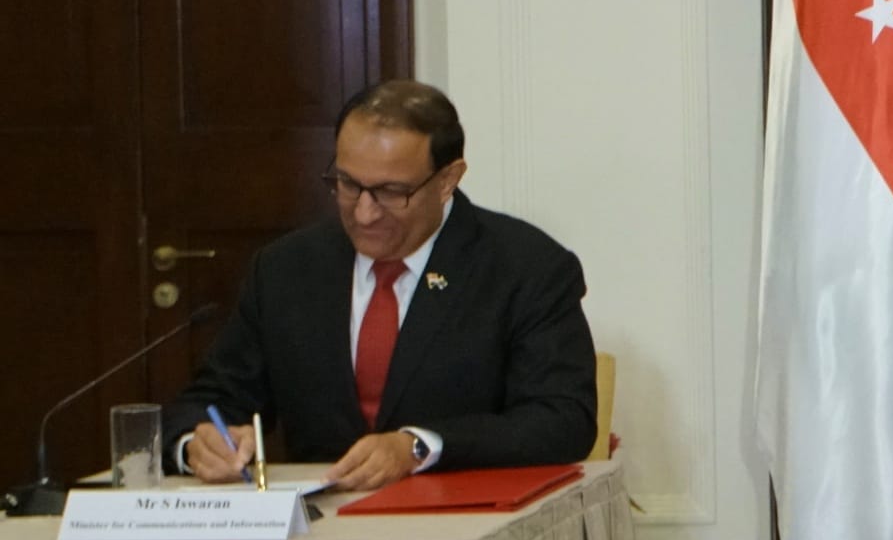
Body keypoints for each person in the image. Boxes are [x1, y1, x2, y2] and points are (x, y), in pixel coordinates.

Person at [165, 80, 599, 489]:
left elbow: (561, 420)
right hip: (315, 537)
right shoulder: (286, 269)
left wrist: (418, 447)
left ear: (448, 179)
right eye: (349, 184)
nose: (364, 213)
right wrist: (198, 444)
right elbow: (211, 399)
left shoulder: (525, 267)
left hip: (456, 530)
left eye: (392, 192)